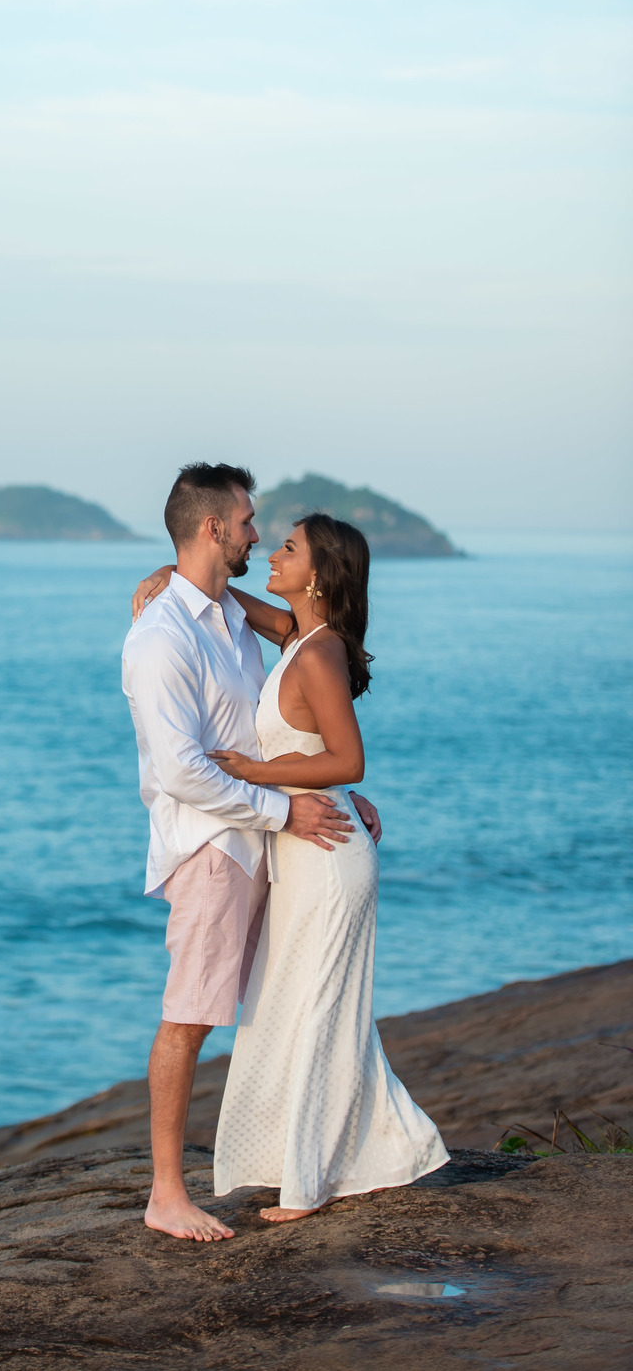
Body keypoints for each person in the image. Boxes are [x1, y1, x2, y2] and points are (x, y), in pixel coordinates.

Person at [132, 507, 448, 1226]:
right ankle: (358, 1157)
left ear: (321, 572)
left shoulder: (319, 651)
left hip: (326, 856)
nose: (270, 552)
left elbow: (348, 758)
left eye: (288, 548)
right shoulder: (297, 636)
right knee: (301, 1009)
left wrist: (255, 770)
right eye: (268, 539)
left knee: (318, 1011)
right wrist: (175, 580)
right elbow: (248, 608)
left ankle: (311, 1184)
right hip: (302, 849)